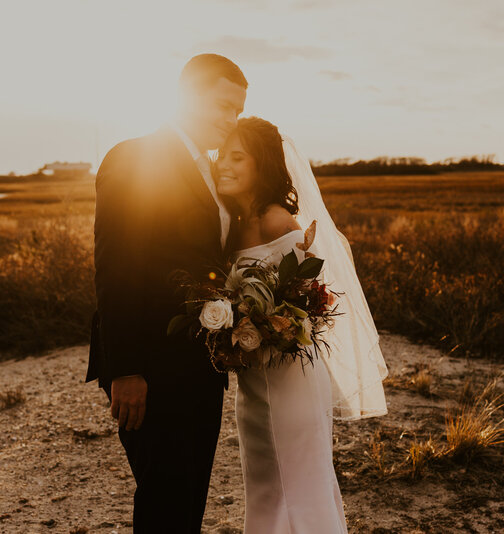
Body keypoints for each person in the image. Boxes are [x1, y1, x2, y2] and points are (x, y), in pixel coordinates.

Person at [85, 54, 247, 533]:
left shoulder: (214, 173)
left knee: (189, 495)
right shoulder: (134, 157)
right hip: (151, 366)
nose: (230, 120)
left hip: (201, 363)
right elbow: (117, 268)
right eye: (222, 106)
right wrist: (127, 369)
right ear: (188, 96)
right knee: (165, 498)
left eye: (238, 111)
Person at [215, 117, 389, 533]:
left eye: (237, 157)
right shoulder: (232, 227)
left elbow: (309, 303)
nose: (224, 164)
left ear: (263, 165)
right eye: (221, 155)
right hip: (255, 378)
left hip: (291, 374)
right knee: (265, 483)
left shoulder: (279, 221)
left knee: (297, 482)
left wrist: (268, 324)